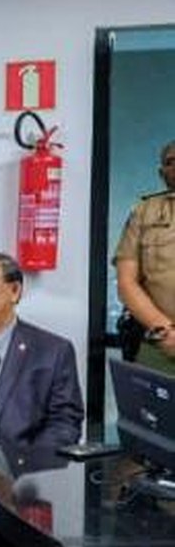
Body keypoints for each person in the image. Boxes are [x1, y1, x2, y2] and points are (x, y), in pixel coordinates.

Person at [0, 251, 84, 447]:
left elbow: (65, 425)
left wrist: (21, 465)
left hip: (19, 469)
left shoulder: (52, 351)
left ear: (15, 291)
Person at [114, 140, 175, 375]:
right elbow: (126, 281)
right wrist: (165, 332)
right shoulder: (144, 212)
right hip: (161, 343)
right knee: (151, 410)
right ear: (162, 173)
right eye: (171, 162)